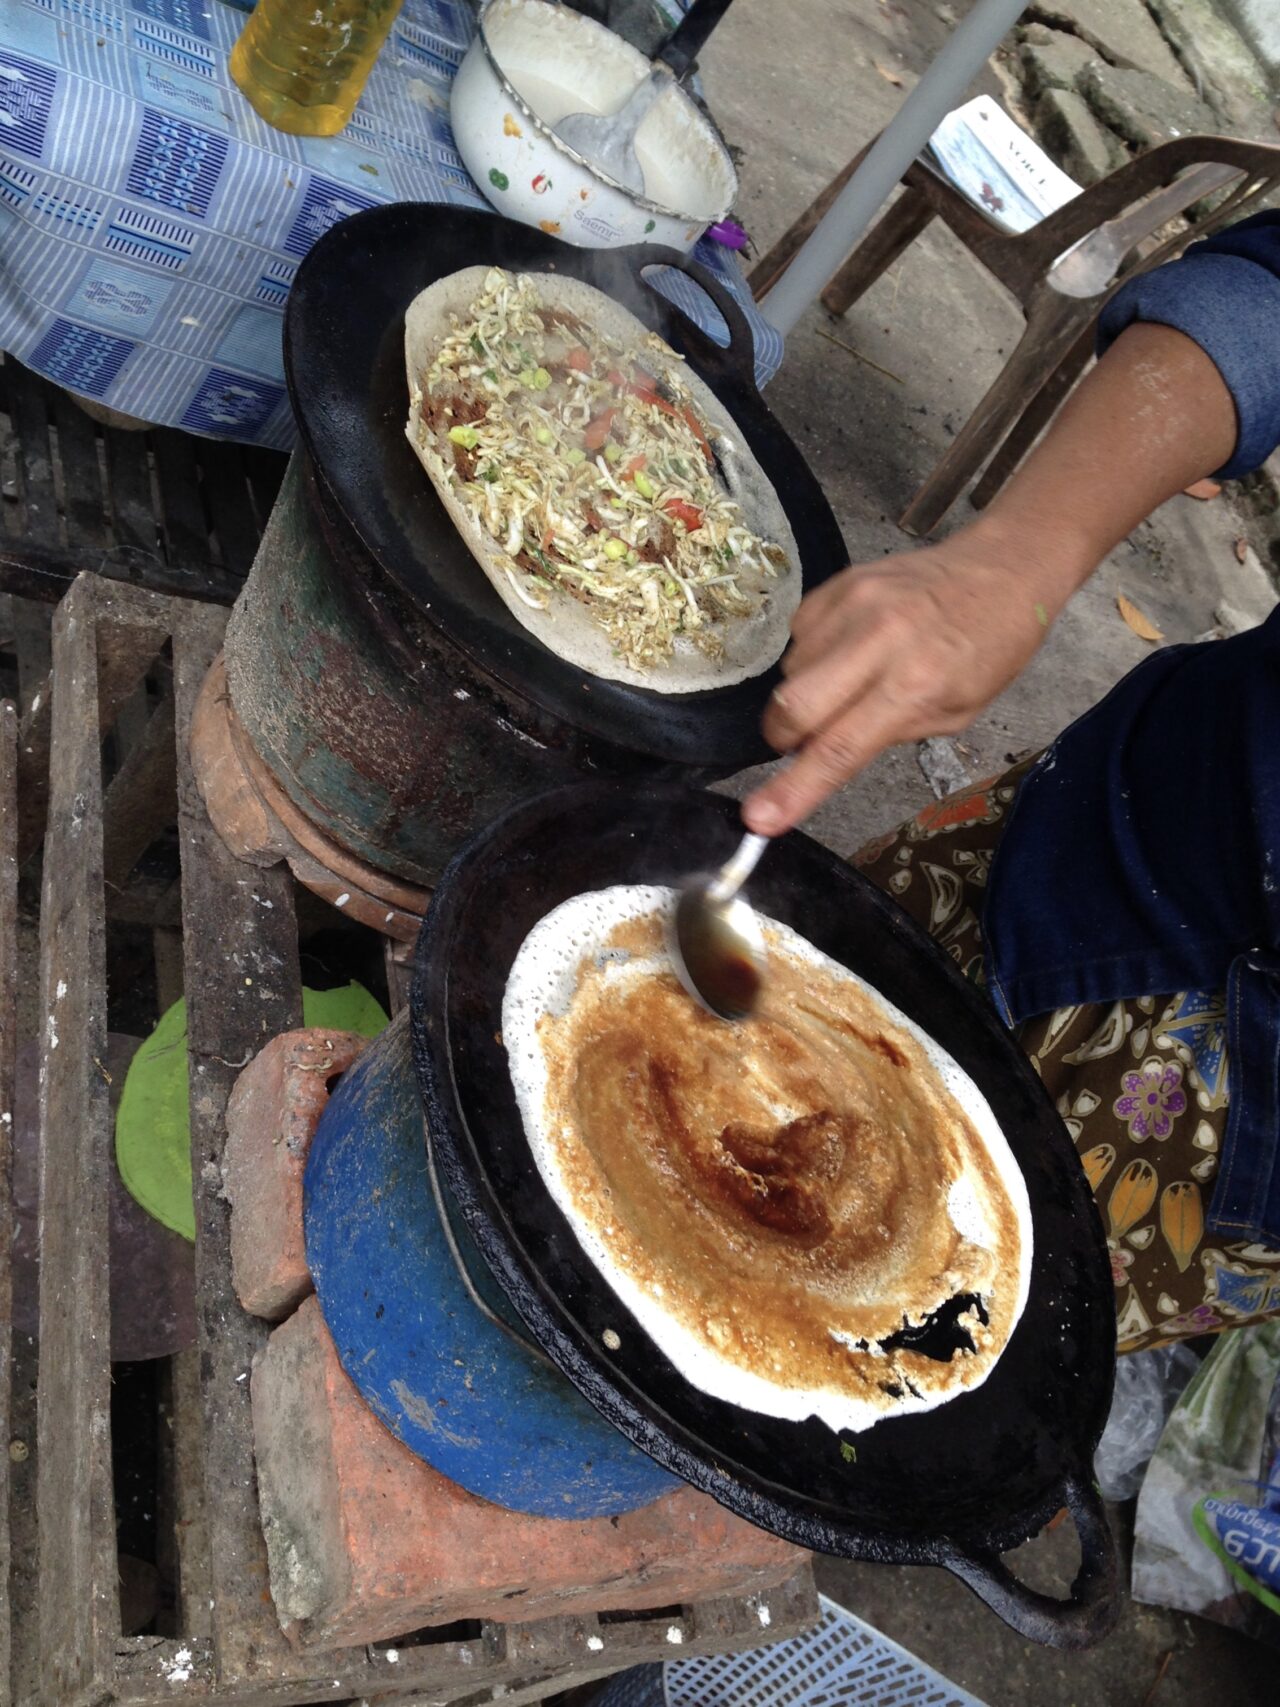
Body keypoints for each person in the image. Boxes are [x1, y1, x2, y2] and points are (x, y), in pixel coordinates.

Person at [742, 210, 1280, 1353]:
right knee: (755, 1044)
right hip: (1126, 818)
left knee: (905, 1340)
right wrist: (1012, 560)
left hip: (1231, 1171)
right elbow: (1264, 298)